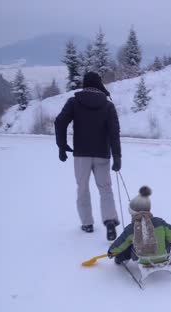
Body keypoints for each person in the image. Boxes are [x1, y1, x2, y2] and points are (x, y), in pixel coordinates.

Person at [54, 71, 122, 241]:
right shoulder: (108, 105)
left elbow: (60, 122)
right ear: (99, 84)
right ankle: (110, 220)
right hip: (102, 154)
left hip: (81, 154)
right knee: (105, 188)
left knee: (82, 188)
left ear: (85, 84)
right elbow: (114, 132)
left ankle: (87, 223)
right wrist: (117, 156)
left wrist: (62, 146)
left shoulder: (74, 102)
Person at [108, 186, 171, 265]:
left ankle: (119, 258)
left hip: (143, 259)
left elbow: (120, 242)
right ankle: (159, 254)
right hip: (164, 256)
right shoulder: (160, 222)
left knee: (127, 244)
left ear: (134, 214)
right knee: (165, 238)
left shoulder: (131, 228)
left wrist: (111, 251)